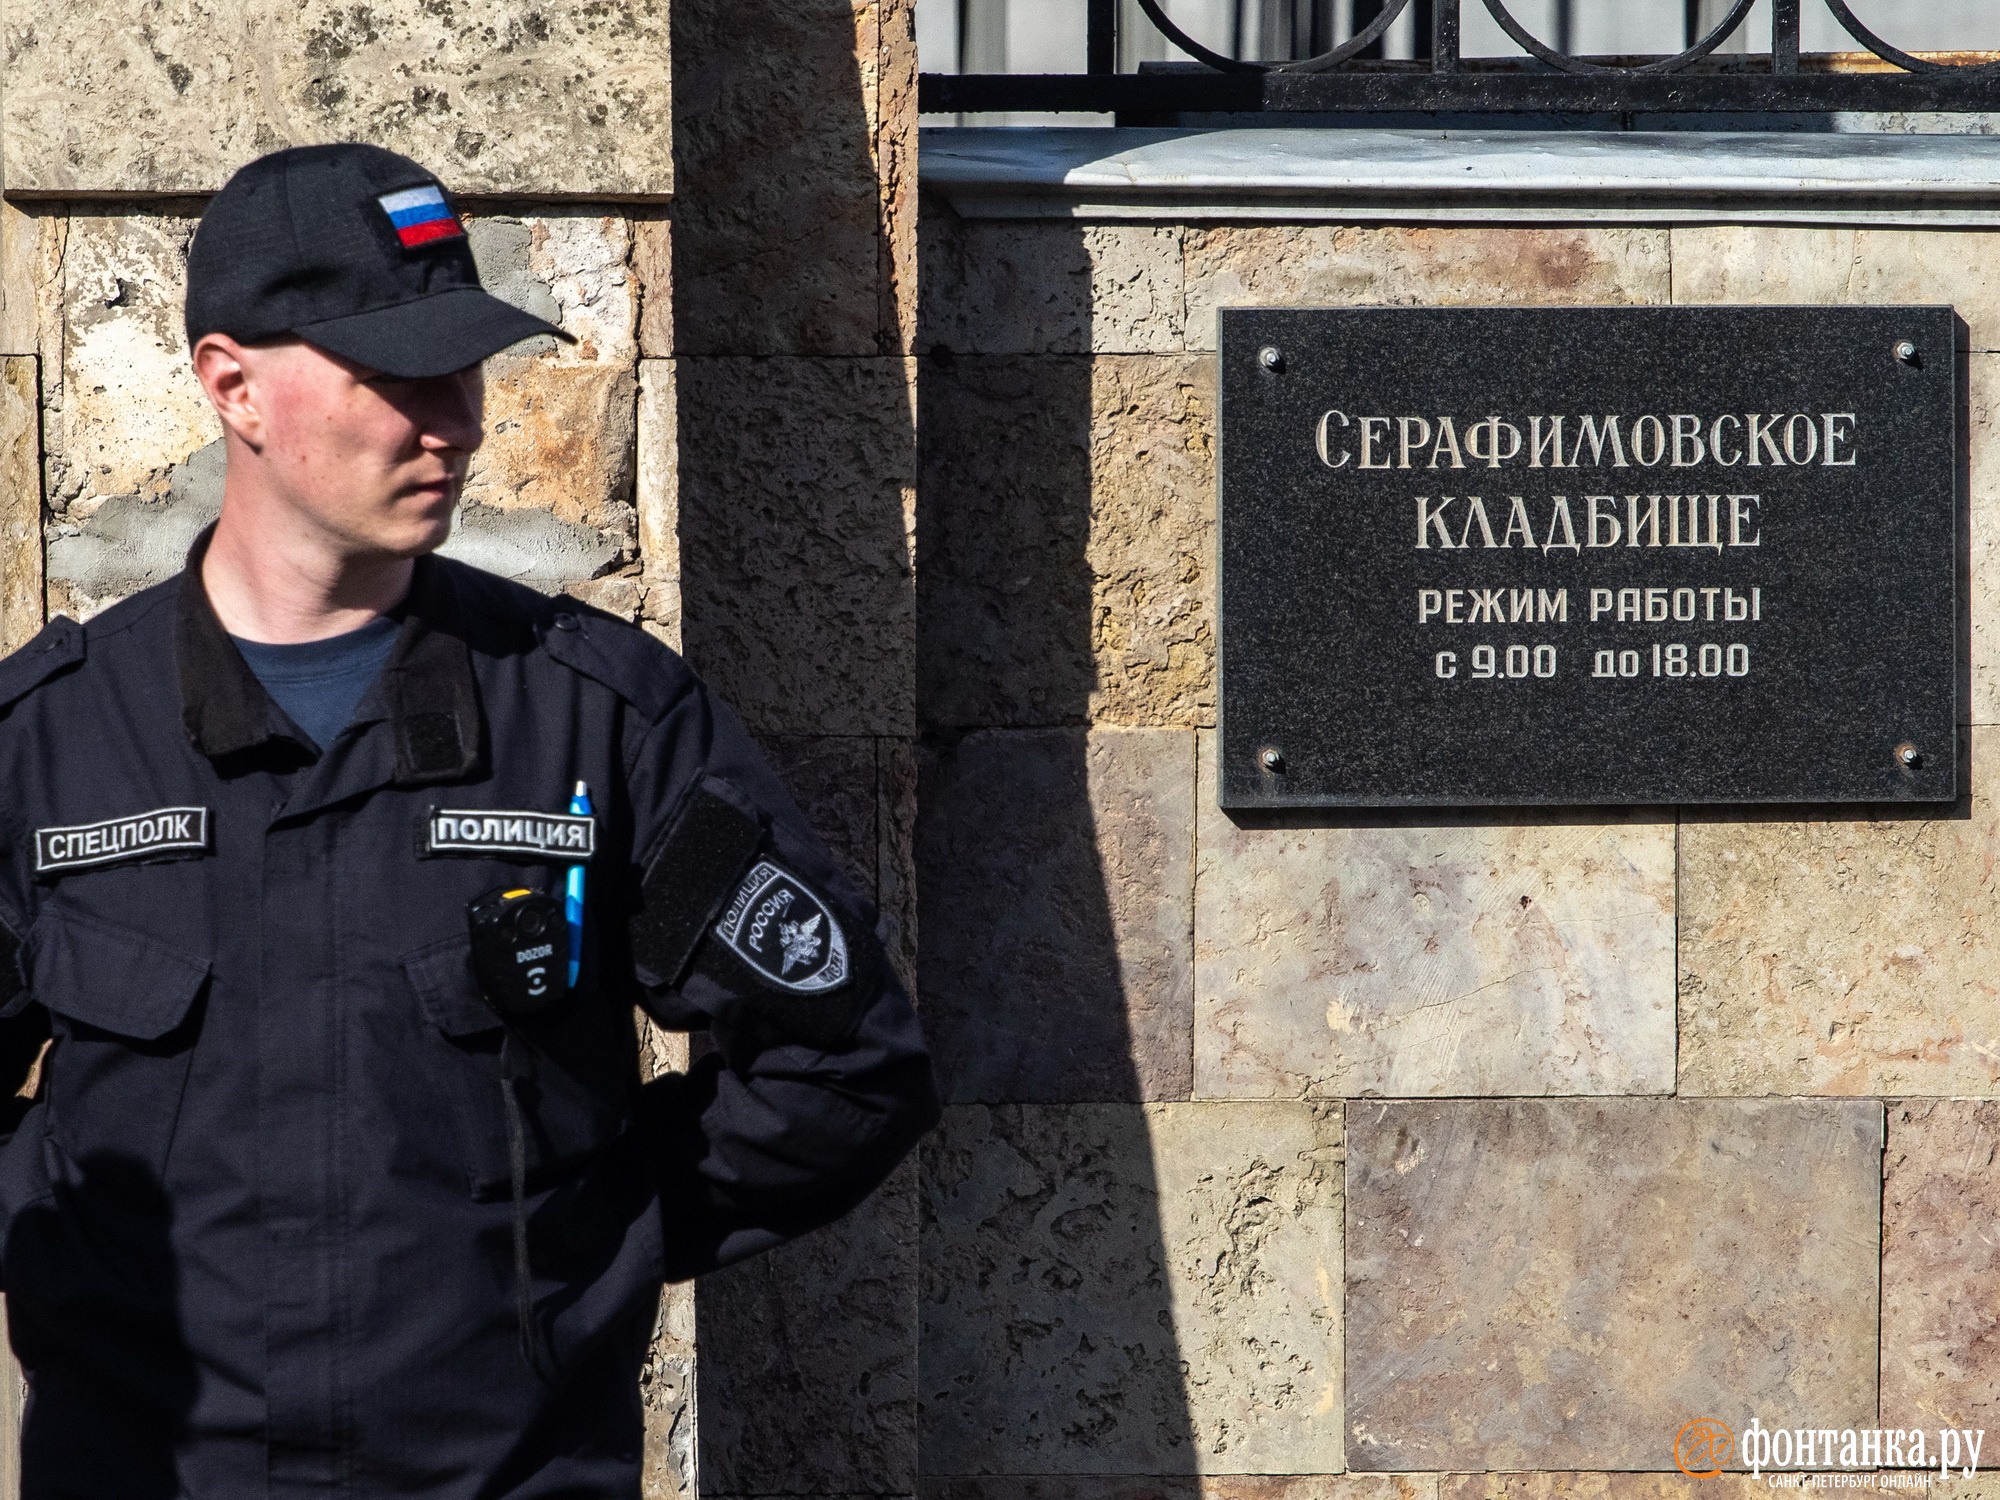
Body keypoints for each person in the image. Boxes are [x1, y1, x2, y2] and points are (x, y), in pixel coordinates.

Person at [0, 143, 939, 1498]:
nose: (452, 421)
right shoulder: (56, 744)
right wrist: (61, 1235)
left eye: (466, 370)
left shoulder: (592, 722)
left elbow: (842, 1065)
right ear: (232, 384)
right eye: (398, 376)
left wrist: (578, 1244)